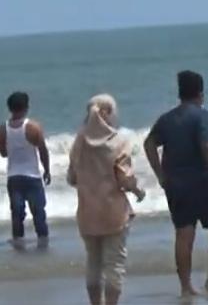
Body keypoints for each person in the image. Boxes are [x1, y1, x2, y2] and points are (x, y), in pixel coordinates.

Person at [143, 71, 208, 297]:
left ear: (180, 93)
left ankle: (186, 287)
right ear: (201, 94)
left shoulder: (167, 118)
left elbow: (149, 144)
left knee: (184, 234)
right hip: (202, 182)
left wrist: (160, 175)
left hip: (175, 184)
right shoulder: (203, 116)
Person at [67, 94, 146, 305]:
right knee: (114, 263)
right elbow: (125, 179)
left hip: (86, 212)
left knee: (93, 262)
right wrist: (137, 191)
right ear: (108, 113)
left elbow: (71, 177)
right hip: (113, 213)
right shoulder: (118, 141)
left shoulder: (79, 140)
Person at [0, 92, 51, 248]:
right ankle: (43, 244)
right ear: (26, 107)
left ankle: (18, 243)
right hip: (33, 177)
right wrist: (47, 170)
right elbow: (43, 150)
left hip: (14, 177)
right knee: (39, 213)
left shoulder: (3, 129)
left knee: (17, 213)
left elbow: (4, 153)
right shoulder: (33, 127)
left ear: (10, 108)